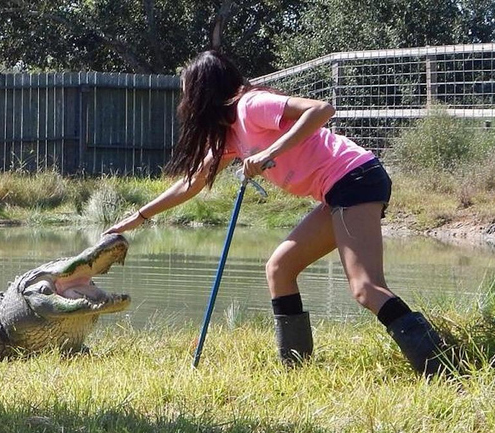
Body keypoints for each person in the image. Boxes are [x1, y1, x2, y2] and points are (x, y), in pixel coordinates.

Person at [104, 50, 446, 376]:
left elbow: (322, 109)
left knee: (365, 289)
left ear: (203, 92)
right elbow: (192, 183)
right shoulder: (232, 135)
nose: (185, 103)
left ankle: (442, 366)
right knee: (279, 269)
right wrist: (140, 216)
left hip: (355, 177)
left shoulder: (252, 105)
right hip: (336, 191)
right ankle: (296, 369)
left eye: (187, 94)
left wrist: (270, 150)